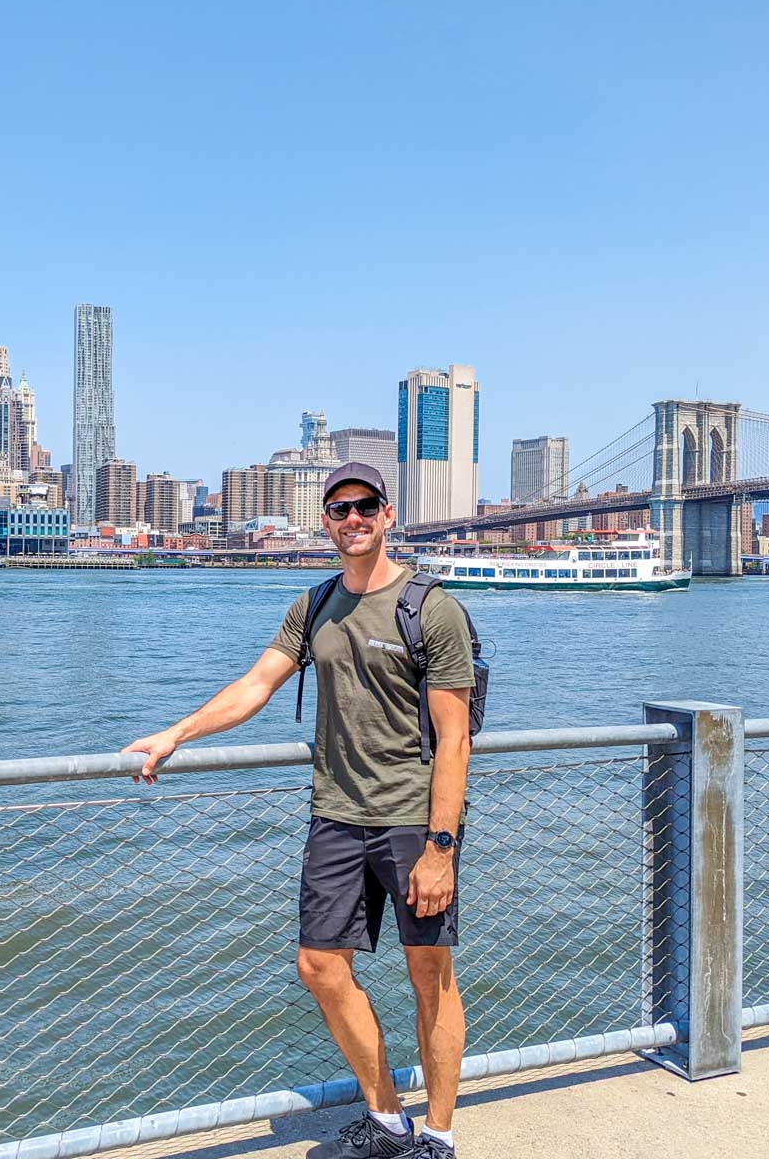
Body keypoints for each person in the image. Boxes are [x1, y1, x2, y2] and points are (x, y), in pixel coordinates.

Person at [122, 462, 475, 1159]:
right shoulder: (313, 606)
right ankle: (387, 1120)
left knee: (429, 975)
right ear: (326, 522)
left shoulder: (431, 609)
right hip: (336, 813)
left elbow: (455, 738)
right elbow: (255, 685)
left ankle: (437, 1136)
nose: (353, 519)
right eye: (340, 510)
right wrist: (175, 734)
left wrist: (441, 848)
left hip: (412, 820)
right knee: (319, 966)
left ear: (387, 514)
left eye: (365, 506)